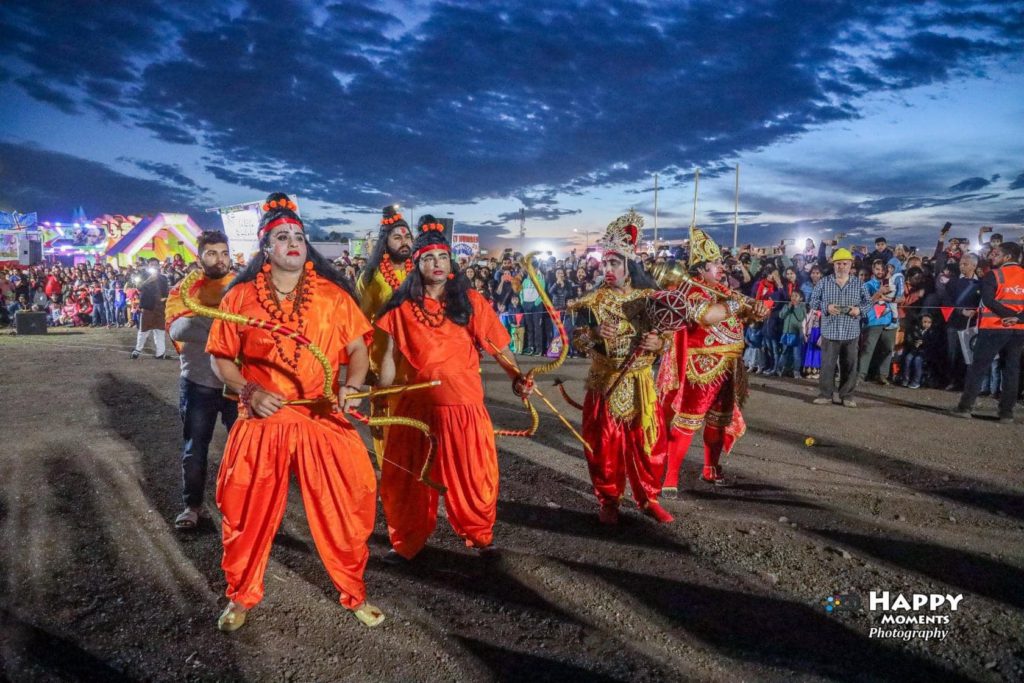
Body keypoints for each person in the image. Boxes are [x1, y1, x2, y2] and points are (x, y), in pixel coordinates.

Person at [205, 192, 383, 631]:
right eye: (281, 236)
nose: (292, 242)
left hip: (321, 414)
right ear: (266, 248)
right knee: (243, 508)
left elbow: (358, 349)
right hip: (262, 418)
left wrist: (353, 385)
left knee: (350, 500)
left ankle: (353, 590)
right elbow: (220, 356)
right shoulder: (241, 297)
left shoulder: (333, 296)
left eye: (298, 236)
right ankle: (241, 596)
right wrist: (248, 390)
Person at [375, 216, 530, 562]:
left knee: (474, 478)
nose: (437, 265)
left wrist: (516, 377)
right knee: (408, 483)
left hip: (464, 407)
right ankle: (406, 544)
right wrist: (377, 396)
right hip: (415, 410)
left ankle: (479, 536)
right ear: (416, 264)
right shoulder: (400, 308)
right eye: (429, 258)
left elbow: (499, 347)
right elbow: (388, 358)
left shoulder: (470, 301)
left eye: (442, 257)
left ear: (451, 262)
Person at [569, 211, 674, 524]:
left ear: (630, 266)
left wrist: (660, 345)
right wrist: (594, 334)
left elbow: (666, 334)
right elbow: (576, 342)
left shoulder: (650, 298)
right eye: (605, 263)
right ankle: (609, 500)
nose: (608, 269)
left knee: (649, 443)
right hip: (605, 381)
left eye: (614, 263)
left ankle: (648, 498)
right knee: (605, 447)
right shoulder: (593, 301)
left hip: (640, 382)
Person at [658, 226, 770, 491]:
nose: (721, 267)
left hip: (728, 365)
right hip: (701, 366)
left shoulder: (722, 288)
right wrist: (736, 304)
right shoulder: (690, 290)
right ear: (700, 269)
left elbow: (741, 316)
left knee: (719, 421)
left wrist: (756, 311)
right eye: (715, 263)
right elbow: (706, 316)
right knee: (687, 421)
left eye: (720, 262)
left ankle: (710, 467)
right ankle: (670, 476)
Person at [165, 231, 239, 530]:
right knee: (195, 449)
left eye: (224, 252)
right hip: (198, 383)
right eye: (212, 253)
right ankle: (192, 507)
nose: (219, 259)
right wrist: (229, 325)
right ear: (200, 257)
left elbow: (259, 328)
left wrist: (204, 320)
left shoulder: (243, 285)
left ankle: (240, 508)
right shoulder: (184, 289)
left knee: (243, 451)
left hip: (237, 385)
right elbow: (178, 329)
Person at [951, 241, 1024, 423]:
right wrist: (1018, 318)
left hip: (993, 327)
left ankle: (965, 407)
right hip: (1017, 330)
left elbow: (988, 300)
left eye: (997, 254)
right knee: (1011, 370)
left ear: (1007, 257)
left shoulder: (994, 275)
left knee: (978, 368)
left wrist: (1009, 315)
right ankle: (1006, 413)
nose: (992, 256)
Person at [809, 249, 871, 407]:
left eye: (845, 263)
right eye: (838, 264)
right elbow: (812, 301)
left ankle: (847, 396)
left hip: (851, 331)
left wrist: (859, 310)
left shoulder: (859, 284)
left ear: (851, 265)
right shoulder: (824, 282)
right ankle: (825, 394)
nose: (841, 267)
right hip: (830, 331)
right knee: (827, 365)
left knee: (849, 365)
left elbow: (868, 303)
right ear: (833, 265)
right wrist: (826, 307)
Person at [859, 259, 901, 385]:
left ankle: (882, 375)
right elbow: (866, 302)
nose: (880, 272)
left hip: (890, 321)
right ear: (873, 270)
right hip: (873, 320)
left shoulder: (892, 283)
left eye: (883, 269)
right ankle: (860, 375)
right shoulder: (867, 285)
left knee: (888, 349)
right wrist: (879, 292)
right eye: (878, 269)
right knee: (868, 349)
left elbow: (900, 298)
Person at [131, 257, 170, 359]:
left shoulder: (163, 278)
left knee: (160, 330)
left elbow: (166, 292)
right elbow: (138, 287)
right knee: (144, 329)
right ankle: (137, 350)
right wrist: (148, 280)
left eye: (155, 264)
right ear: (148, 266)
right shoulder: (142, 276)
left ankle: (160, 353)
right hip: (148, 306)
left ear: (158, 266)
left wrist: (165, 299)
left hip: (160, 307)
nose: (154, 266)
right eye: (151, 264)